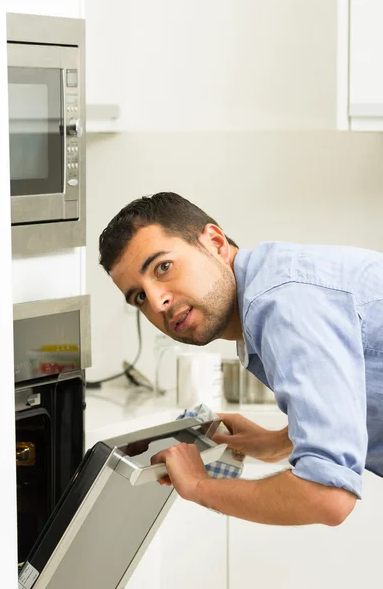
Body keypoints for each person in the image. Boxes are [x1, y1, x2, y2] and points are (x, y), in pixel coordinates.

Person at [98, 191, 383, 527]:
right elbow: (356, 385)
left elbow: (327, 496)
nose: (157, 302)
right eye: (140, 297)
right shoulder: (275, 282)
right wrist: (277, 441)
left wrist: (198, 486)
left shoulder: (282, 303)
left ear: (215, 243)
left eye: (163, 267)